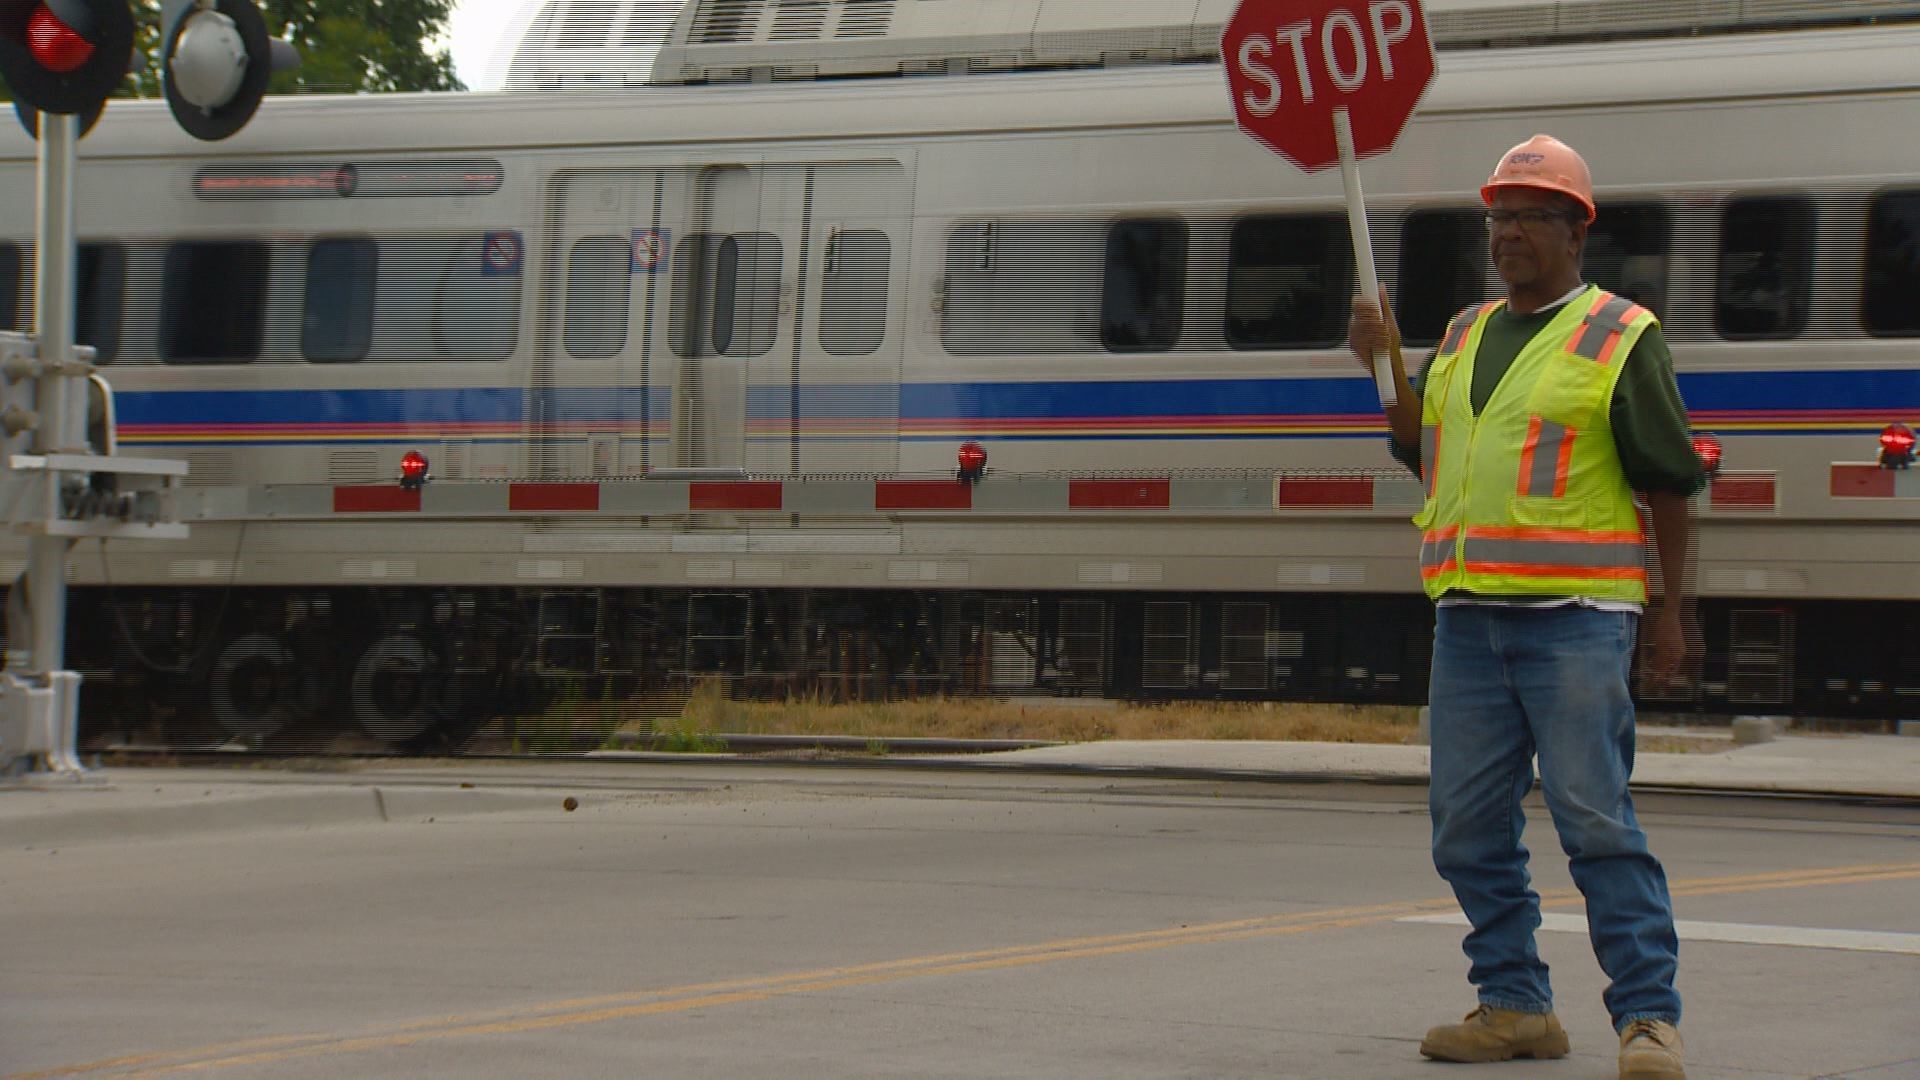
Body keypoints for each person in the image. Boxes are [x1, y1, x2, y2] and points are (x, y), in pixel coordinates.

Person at [1348, 135, 1704, 1080]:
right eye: (1498, 218)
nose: (1508, 233)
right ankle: (1515, 1006)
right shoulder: (1465, 333)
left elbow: (1671, 485)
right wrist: (1382, 368)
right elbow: (1425, 450)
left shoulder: (1620, 336)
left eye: (1531, 217)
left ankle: (1648, 1019)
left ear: (1576, 231)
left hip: (1576, 619)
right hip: (1467, 618)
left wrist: (1672, 614)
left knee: (1595, 823)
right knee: (1466, 829)